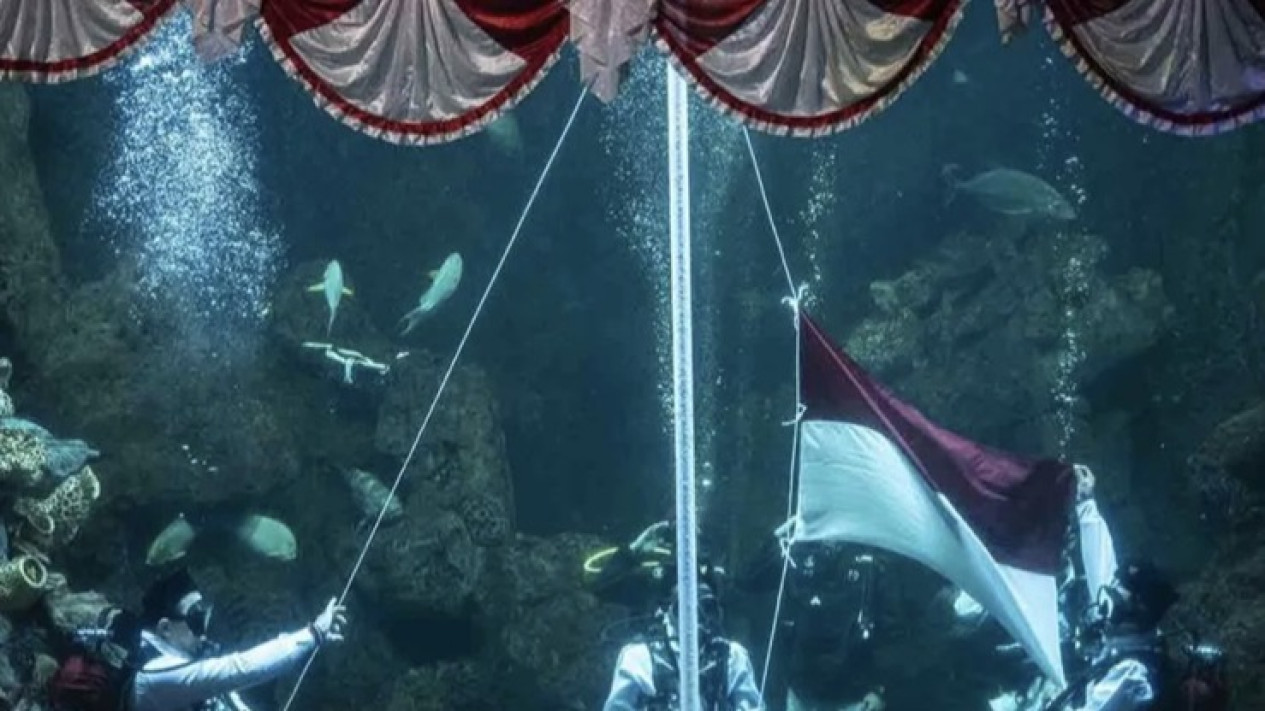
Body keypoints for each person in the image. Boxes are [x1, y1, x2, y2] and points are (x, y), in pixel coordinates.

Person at [128, 568, 348, 711]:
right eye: (195, 618)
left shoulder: (175, 664)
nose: (203, 631)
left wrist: (305, 644)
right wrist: (313, 634)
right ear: (165, 629)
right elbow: (239, 669)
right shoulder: (153, 676)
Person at [601, 581, 764, 711]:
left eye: (707, 607)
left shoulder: (732, 656)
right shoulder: (639, 658)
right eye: (686, 607)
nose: (696, 617)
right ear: (667, 612)